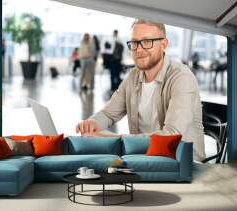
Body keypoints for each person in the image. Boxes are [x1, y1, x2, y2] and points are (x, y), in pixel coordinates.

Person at [75, 20, 205, 161]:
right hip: (145, 158)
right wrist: (92, 123)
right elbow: (108, 114)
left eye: (147, 41)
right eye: (134, 42)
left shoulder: (181, 77)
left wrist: (109, 138)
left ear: (164, 44)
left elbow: (171, 136)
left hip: (182, 162)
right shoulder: (133, 76)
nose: (138, 49)